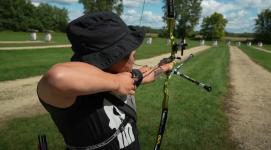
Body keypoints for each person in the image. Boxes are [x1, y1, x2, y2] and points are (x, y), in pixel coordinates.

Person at [37, 12, 173, 150]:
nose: (134, 60)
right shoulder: (76, 95)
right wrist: (116, 82)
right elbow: (56, 77)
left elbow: (147, 75)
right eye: (130, 54)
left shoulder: (124, 76)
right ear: (112, 57)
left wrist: (164, 67)